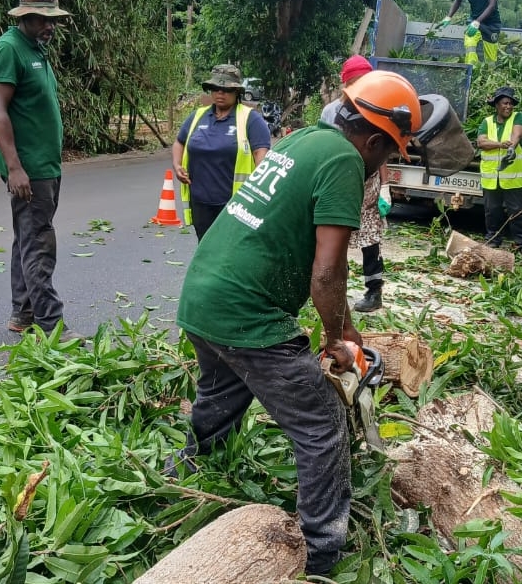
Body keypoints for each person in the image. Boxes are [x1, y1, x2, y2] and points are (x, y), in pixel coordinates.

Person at [172, 70, 422, 576]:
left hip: (202, 298)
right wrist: (334, 338)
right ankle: (322, 553)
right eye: (389, 153)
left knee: (223, 391)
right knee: (322, 427)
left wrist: (347, 329)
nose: (385, 164)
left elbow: (326, 269)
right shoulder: (346, 162)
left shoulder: (309, 137)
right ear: (373, 140)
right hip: (246, 312)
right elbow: (327, 269)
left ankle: (186, 474)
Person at [0, 0, 79, 338]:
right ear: (25, 16)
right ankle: (51, 324)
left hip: (43, 164)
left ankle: (23, 313)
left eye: (53, 19)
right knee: (39, 240)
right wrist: (15, 167)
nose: (49, 26)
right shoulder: (8, 50)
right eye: (42, 19)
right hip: (29, 168)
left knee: (27, 236)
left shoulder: (34, 48)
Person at [172, 64, 271, 240]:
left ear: (237, 92)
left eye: (226, 89)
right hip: (200, 203)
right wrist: (177, 165)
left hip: (235, 205)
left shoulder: (250, 119)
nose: (220, 93)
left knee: (229, 254)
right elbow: (179, 142)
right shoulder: (198, 116)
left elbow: (261, 157)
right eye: (216, 88)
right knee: (205, 250)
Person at [321, 55, 388, 312]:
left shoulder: (377, 109)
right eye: (357, 82)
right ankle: (336, 291)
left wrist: (385, 187)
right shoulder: (331, 112)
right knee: (335, 236)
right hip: (338, 179)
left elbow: (382, 150)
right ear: (345, 84)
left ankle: (374, 291)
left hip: (367, 180)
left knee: (369, 236)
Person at [477, 86, 522, 249]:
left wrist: (511, 146)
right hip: (491, 178)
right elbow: (481, 143)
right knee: (492, 211)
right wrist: (500, 144)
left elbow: (518, 134)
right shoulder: (487, 122)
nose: (508, 106)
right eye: (505, 103)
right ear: (496, 105)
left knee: (516, 212)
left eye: (510, 103)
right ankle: (493, 240)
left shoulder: (519, 118)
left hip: (512, 179)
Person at [438, 0, 502, 65]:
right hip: (473, 21)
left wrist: (478, 22)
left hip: (491, 23)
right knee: (470, 44)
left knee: (491, 60)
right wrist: (449, 17)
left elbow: (492, 6)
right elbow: (458, 0)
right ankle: (471, 70)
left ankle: (489, 76)